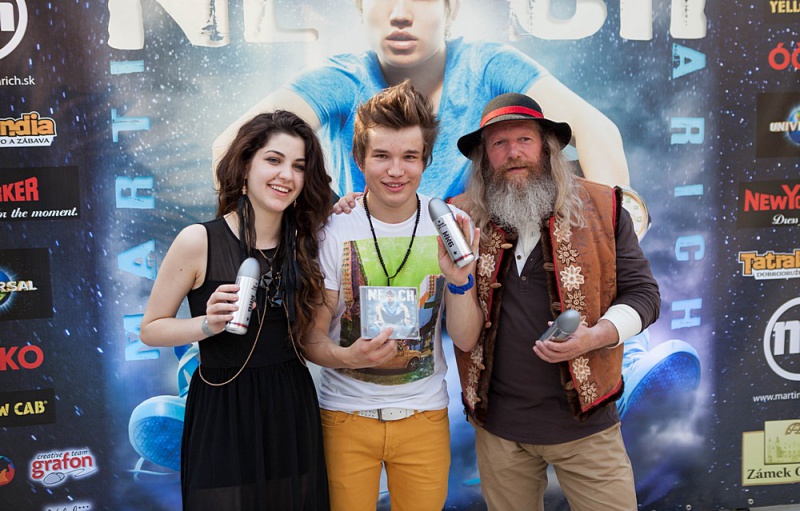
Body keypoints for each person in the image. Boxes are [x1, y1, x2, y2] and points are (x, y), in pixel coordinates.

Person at [445, 93, 661, 511]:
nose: (513, 153)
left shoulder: (604, 206)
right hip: (499, 432)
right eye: (499, 143)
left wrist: (596, 336)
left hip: (587, 428)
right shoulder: (462, 219)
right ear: (485, 158)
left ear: (547, 147)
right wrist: (353, 204)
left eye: (524, 140)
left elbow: (644, 295)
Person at [212, 0, 630, 199]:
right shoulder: (342, 78)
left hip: (473, 270)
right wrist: (269, 240)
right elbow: (232, 144)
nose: (399, 14)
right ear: (360, 8)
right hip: (369, 272)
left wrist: (611, 241)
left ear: (451, 9)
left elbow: (596, 130)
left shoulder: (486, 65)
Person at [302, 81, 482, 511]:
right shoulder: (334, 229)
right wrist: (348, 357)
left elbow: (465, 339)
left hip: (424, 417)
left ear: (426, 159)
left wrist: (460, 281)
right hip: (345, 417)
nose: (396, 171)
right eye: (381, 156)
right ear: (359, 159)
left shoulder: (450, 224)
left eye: (409, 157)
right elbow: (310, 339)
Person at [140, 111, 331, 510]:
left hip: (289, 407)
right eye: (274, 160)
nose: (286, 175)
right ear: (245, 166)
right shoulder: (198, 240)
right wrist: (206, 325)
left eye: (299, 166)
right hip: (222, 409)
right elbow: (151, 329)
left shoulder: (308, 242)